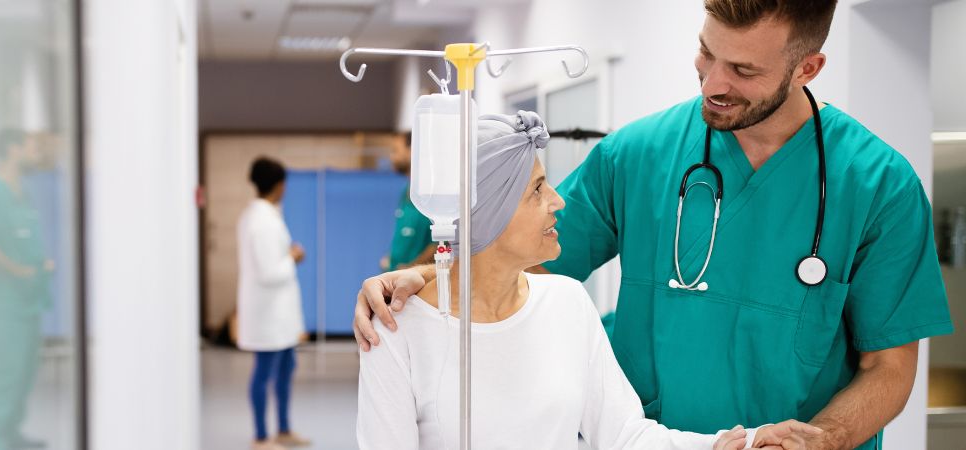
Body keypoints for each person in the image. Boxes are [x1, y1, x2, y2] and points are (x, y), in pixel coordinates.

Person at [354, 1, 954, 449]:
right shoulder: (638, 155)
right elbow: (516, 257)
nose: (713, 83)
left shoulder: (880, 187)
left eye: (742, 70)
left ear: (808, 67)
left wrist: (820, 438)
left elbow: (891, 369)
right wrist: (421, 279)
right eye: (706, 53)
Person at [357, 111, 820, 449]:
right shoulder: (396, 327)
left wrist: (741, 442)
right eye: (538, 190)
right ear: (486, 216)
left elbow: (625, 434)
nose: (558, 201)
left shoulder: (565, 302)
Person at [0, 129, 55, 450]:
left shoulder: (22, 191)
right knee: (4, 372)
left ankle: (10, 433)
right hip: (7, 302)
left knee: (24, 373)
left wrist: (40, 266)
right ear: (12, 149)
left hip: (30, 300)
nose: (37, 153)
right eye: (32, 146)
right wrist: (21, 271)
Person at [236, 157, 311, 450]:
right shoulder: (262, 221)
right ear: (279, 185)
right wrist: (293, 257)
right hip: (268, 314)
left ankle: (282, 429)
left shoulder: (260, 215)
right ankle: (260, 437)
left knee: (285, 369)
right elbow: (269, 272)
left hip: (276, 314)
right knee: (264, 373)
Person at [382, 132, 437, 272]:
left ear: (413, 150)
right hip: (396, 280)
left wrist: (411, 269)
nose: (391, 157)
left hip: (418, 284)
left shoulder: (431, 192)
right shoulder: (407, 191)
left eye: (396, 151)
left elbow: (439, 244)